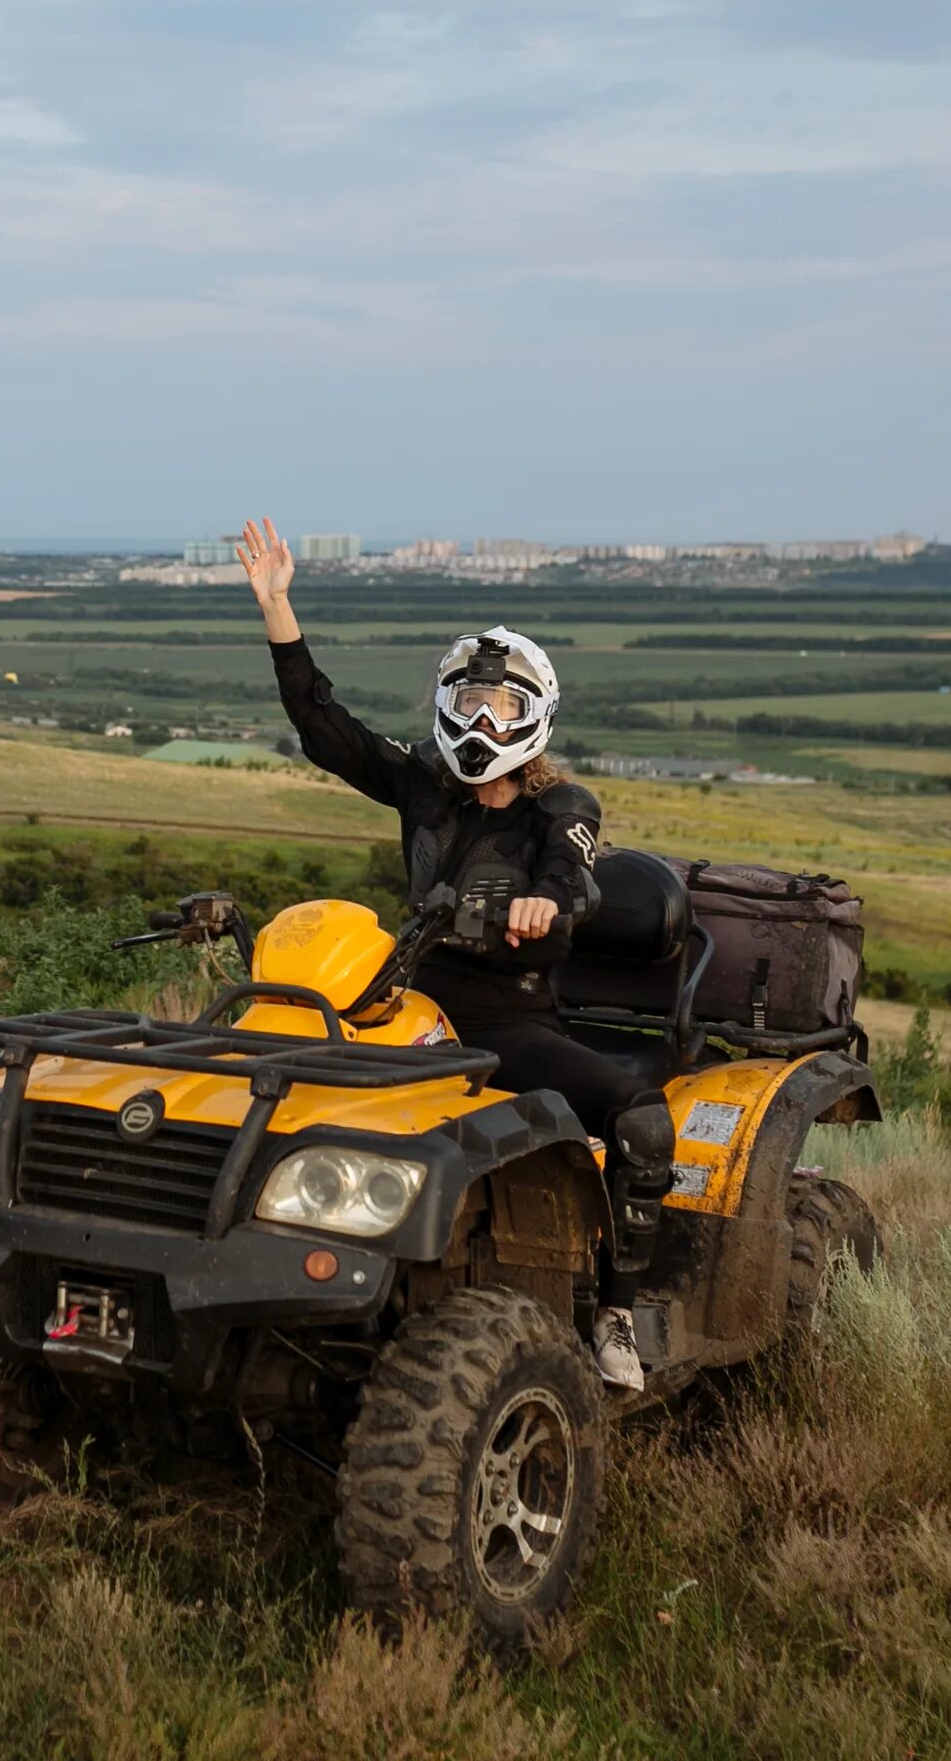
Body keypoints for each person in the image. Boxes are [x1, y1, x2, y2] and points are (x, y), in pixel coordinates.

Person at [236, 517, 667, 1390]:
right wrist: (279, 610)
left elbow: (576, 879)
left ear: (533, 715)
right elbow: (327, 729)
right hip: (405, 1000)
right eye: (469, 701)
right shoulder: (425, 786)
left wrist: (546, 905)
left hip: (509, 1019)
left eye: (501, 705)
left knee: (637, 1112)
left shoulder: (562, 807)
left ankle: (618, 1310)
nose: (481, 718)